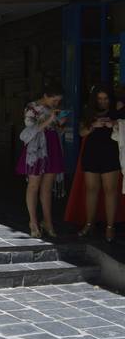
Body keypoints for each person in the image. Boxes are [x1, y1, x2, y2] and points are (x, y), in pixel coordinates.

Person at [65, 85, 124, 242]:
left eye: (105, 98)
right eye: (99, 99)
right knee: (91, 189)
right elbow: (81, 132)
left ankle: (110, 227)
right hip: (91, 153)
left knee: (110, 190)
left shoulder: (118, 109)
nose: (103, 102)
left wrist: (115, 124)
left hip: (111, 154)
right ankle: (89, 224)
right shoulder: (88, 111)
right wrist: (93, 126)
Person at [16, 83, 67, 238]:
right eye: (54, 100)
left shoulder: (54, 109)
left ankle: (48, 221)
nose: (56, 103)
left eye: (58, 101)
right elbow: (30, 129)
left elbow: (57, 130)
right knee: (34, 185)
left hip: (52, 146)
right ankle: (33, 222)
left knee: (47, 187)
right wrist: (50, 118)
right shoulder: (31, 107)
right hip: (36, 149)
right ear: (45, 96)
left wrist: (60, 124)